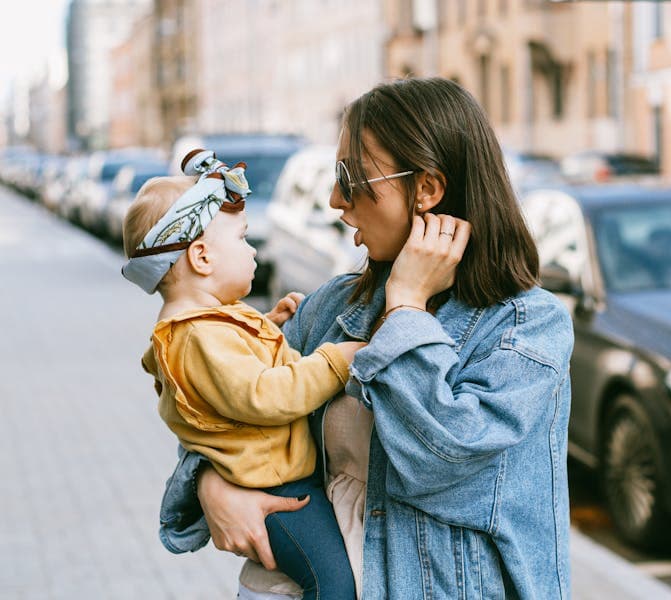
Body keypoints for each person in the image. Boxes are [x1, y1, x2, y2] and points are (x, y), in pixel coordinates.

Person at [159, 78, 574, 599]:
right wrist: (210, 484)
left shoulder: (526, 327)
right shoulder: (333, 307)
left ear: (427, 189)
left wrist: (407, 309)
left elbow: (437, 462)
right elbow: (223, 408)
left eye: (350, 178)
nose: (335, 199)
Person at [121, 149, 362, 600]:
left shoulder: (204, 327)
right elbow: (263, 395)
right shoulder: (198, 336)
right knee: (335, 582)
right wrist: (336, 360)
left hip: (275, 481)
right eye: (243, 239)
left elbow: (229, 370)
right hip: (278, 492)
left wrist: (267, 326)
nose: (253, 250)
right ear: (202, 257)